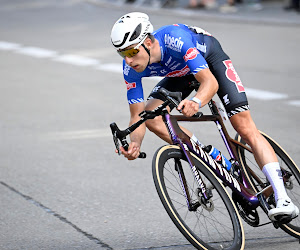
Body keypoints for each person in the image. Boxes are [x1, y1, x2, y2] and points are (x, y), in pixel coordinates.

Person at [110, 12, 299, 221]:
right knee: (151, 117)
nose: (128, 59)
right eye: (122, 54)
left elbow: (210, 82)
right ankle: (206, 155)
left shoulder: (174, 39)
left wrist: (196, 102)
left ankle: (283, 199)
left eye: (132, 51)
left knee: (244, 127)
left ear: (147, 41)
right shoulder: (130, 67)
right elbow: (137, 115)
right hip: (180, 74)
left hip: (211, 62)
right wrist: (135, 142)